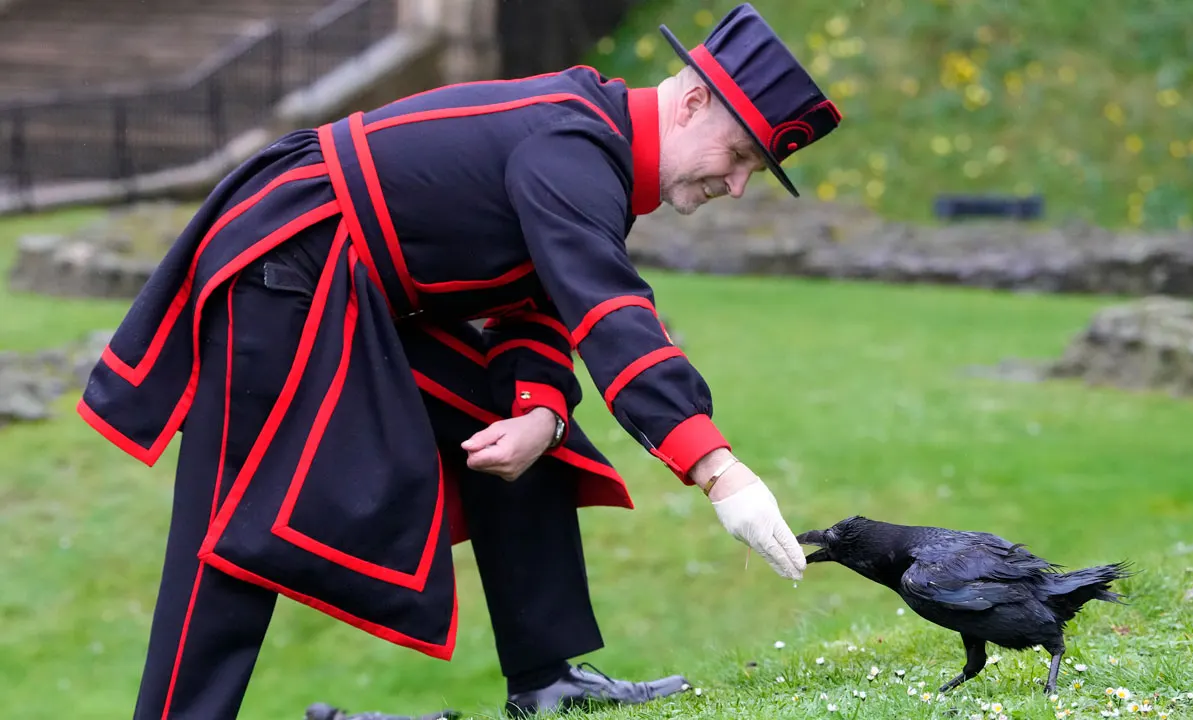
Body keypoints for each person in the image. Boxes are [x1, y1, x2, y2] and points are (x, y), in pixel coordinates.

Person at [75, 3, 843, 718]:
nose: (738, 185)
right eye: (740, 154)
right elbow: (611, 314)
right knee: (233, 525)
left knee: (521, 426)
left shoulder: (595, 146)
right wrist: (717, 469)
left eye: (755, 169)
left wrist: (540, 409)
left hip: (351, 287)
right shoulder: (576, 146)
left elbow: (534, 299)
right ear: (693, 101)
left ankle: (546, 682)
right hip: (281, 270)